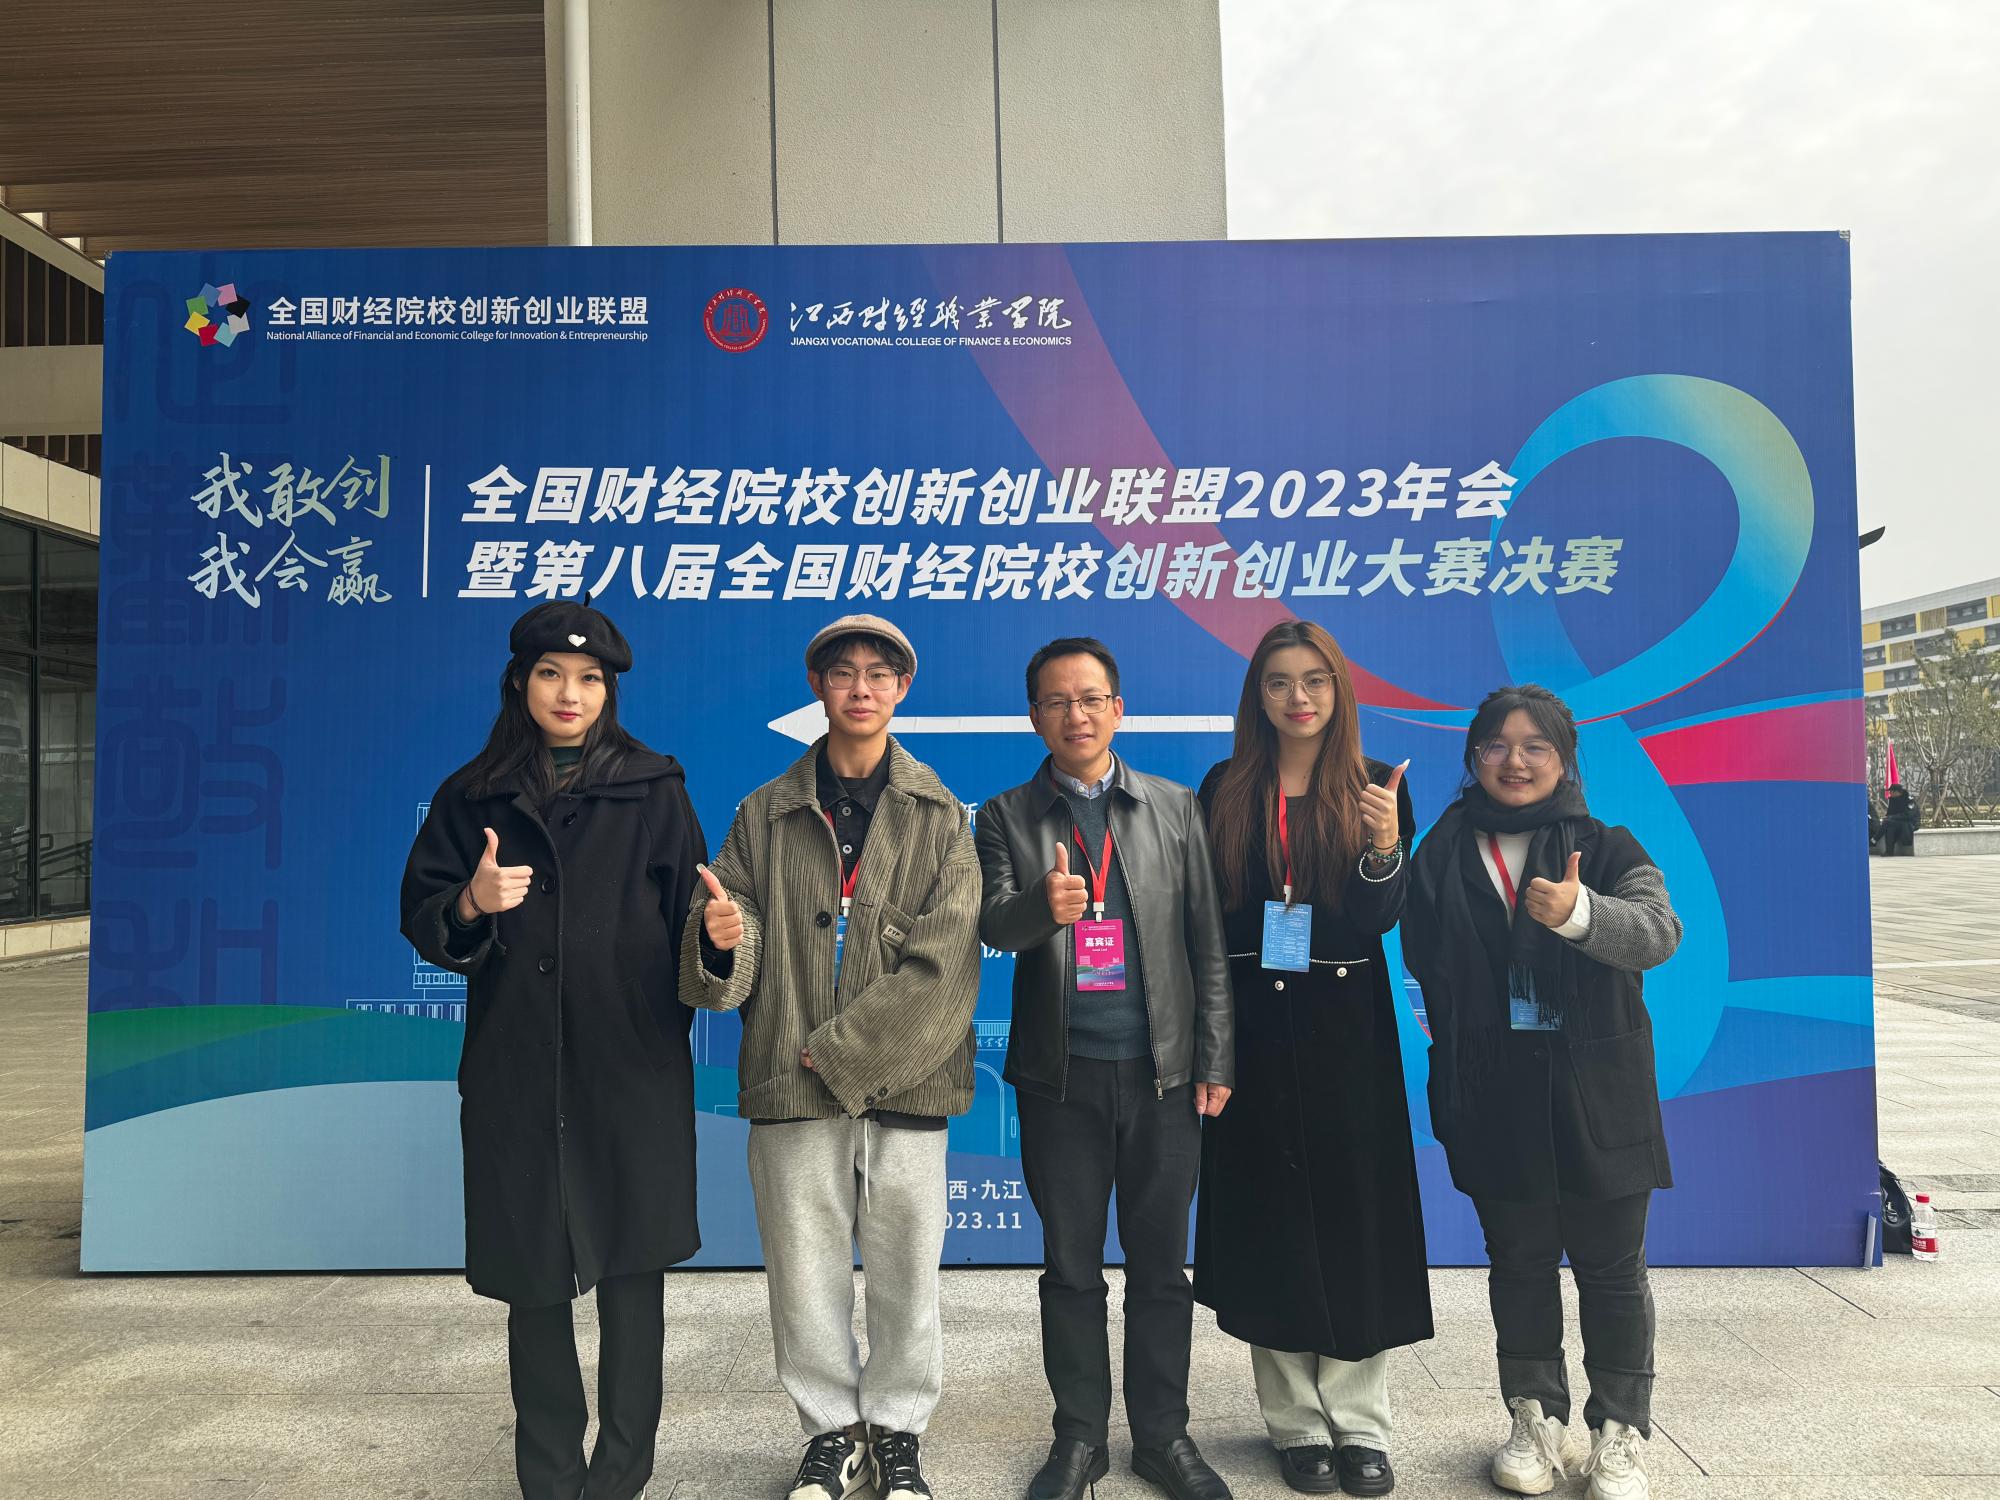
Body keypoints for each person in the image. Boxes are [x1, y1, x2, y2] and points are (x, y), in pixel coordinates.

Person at [400, 598, 706, 1500]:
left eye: (588, 680)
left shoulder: (653, 788)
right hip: (516, 1069)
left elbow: (693, 924)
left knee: (632, 1274)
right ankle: (550, 1474)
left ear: (609, 693)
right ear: (520, 683)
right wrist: (470, 904)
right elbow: (422, 914)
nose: (569, 695)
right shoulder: (471, 795)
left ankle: (621, 1473)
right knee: (533, 1278)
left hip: (631, 1065)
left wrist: (722, 938)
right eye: (550, 675)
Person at [681, 614, 981, 1500]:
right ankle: (830, 1434)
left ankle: (897, 1432)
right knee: (803, 1272)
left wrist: (839, 1056)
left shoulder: (939, 816)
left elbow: (948, 963)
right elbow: (729, 928)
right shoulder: (763, 812)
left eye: (878, 673)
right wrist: (722, 935)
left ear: (902, 689)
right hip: (788, 1078)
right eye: (843, 672)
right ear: (817, 687)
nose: (860, 687)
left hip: (907, 1082)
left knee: (906, 1274)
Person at [1402, 685, 1682, 1500]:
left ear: (1564, 760)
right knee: (1519, 1263)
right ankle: (1533, 1417)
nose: (1515, 761)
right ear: (1474, 757)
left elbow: (1659, 933)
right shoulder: (1442, 850)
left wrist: (1580, 913)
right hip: (1494, 1094)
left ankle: (1619, 1431)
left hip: (1600, 1092)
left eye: (1536, 747)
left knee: (1612, 1270)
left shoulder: (1606, 844)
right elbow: (1418, 955)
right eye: (1496, 745)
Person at [975, 636, 1236, 1500]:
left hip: (1164, 1077)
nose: (1075, 715)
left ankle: (1164, 1437)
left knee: (1161, 1269)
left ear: (1118, 710)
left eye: (1091, 699)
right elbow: (993, 925)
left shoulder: (1173, 807)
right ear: (1035, 717)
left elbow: (1206, 943)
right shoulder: (1005, 815)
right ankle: (1079, 1439)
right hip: (1061, 1078)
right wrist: (1039, 907)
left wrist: (1214, 1056)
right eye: (1056, 701)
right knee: (1070, 1269)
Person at [1193, 620, 1432, 1498]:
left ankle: (1361, 1424)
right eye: (1280, 682)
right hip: (1252, 1024)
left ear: (1340, 690)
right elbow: (1209, 917)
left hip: (1345, 1026)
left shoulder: (1377, 783)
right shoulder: (1226, 786)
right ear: (1257, 697)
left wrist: (1382, 847)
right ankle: (1294, 1423)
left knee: (1353, 1216)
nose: (1299, 698)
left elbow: (1377, 921)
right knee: (1271, 1218)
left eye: (1315, 680)